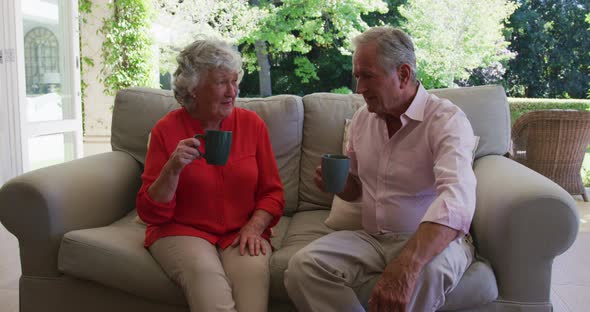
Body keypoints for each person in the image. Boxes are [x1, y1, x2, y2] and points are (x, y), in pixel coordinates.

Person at [284, 26, 477, 312]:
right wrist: (339, 186)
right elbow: (357, 189)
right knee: (302, 267)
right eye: (357, 76)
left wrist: (408, 264)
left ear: (402, 74)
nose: (359, 88)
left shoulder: (445, 120)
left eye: (367, 76)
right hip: (373, 238)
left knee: (429, 273)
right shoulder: (363, 119)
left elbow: (456, 199)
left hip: (427, 240)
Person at [136, 38, 285, 312]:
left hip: (240, 232)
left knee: (252, 291)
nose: (232, 91)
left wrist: (254, 227)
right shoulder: (166, 130)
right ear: (193, 90)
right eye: (220, 82)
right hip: (182, 230)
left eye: (234, 81)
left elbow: (272, 193)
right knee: (207, 282)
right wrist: (173, 169)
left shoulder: (252, 125)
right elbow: (150, 212)